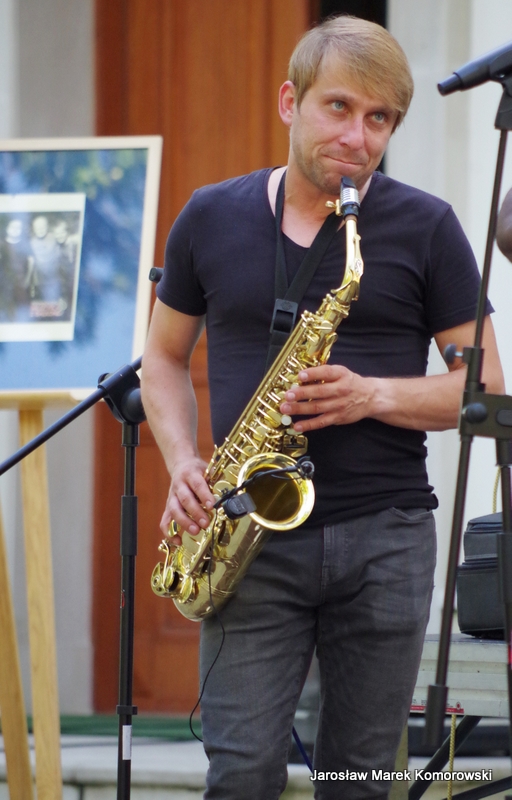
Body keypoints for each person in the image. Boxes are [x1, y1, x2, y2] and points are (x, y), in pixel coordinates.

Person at [141, 15, 504, 800]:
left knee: (358, 780)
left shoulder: (427, 226)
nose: (358, 137)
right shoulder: (210, 215)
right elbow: (162, 359)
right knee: (241, 775)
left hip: (386, 538)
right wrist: (183, 462)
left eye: (380, 119)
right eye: (339, 107)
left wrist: (372, 394)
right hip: (247, 532)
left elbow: (485, 388)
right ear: (289, 102)